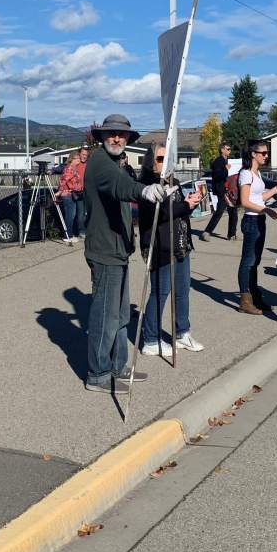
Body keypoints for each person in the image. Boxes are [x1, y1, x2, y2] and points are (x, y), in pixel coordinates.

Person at [82, 114, 169, 393]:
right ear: (102, 137)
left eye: (122, 135)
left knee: (120, 317)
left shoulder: (116, 164)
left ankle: (118, 367)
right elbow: (120, 188)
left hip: (119, 250)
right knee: (105, 316)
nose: (117, 138)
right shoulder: (99, 163)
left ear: (128, 140)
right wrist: (143, 192)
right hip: (105, 251)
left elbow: (121, 194)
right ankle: (97, 374)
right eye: (111, 134)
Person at [138, 144, 205, 356]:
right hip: (160, 245)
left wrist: (191, 203)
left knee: (183, 291)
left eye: (168, 158)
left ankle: (182, 332)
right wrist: (184, 206)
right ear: (151, 161)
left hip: (181, 244)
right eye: (160, 159)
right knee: (160, 292)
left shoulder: (174, 181)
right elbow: (158, 214)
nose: (164, 163)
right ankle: (150, 339)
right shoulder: (147, 185)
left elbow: (179, 210)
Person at [236, 140, 277, 315]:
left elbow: (258, 197)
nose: (266, 156)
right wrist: (266, 209)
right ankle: (245, 300)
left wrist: (276, 188)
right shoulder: (246, 174)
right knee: (248, 262)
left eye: (267, 153)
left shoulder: (257, 174)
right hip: (251, 220)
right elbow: (245, 201)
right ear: (253, 154)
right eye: (263, 153)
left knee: (255, 261)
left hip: (259, 219)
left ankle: (255, 296)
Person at [203, 141, 237, 241]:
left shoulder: (227, 161)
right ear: (222, 150)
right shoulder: (218, 161)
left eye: (230, 149)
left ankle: (231, 234)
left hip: (230, 189)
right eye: (228, 149)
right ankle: (207, 232)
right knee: (220, 211)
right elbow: (217, 176)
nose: (229, 151)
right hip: (221, 190)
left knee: (233, 211)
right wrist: (226, 169)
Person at [57, 147, 88, 240]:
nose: (79, 160)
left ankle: (70, 234)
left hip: (73, 194)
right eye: (78, 158)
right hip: (68, 195)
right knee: (70, 216)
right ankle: (67, 235)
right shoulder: (70, 169)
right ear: (73, 159)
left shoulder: (73, 168)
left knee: (73, 215)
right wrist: (60, 191)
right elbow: (63, 181)